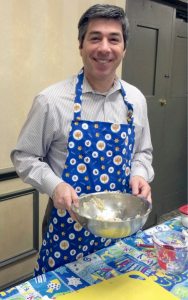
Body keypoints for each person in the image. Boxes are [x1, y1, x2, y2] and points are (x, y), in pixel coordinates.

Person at [11, 4, 154, 276]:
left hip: (119, 231)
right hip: (67, 228)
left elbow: (142, 152)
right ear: (80, 45)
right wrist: (55, 185)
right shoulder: (51, 100)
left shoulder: (135, 100)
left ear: (124, 48)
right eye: (95, 37)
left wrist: (140, 174)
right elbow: (24, 156)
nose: (104, 47)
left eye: (114, 39)